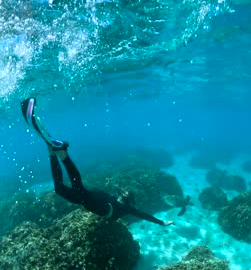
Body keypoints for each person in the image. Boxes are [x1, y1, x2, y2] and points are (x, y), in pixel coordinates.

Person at [21, 97, 175, 226]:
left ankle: (52, 151)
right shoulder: (125, 208)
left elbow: (142, 214)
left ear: (128, 200)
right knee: (78, 187)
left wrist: (161, 222)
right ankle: (63, 154)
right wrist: (162, 223)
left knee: (59, 189)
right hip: (93, 200)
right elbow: (143, 215)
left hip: (92, 198)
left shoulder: (124, 205)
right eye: (123, 195)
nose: (122, 195)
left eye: (124, 195)